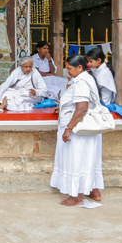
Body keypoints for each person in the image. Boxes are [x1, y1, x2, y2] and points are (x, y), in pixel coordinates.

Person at [49, 54, 103, 206]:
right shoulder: (87, 78)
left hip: (78, 128)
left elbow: (81, 108)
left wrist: (68, 129)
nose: (67, 71)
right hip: (88, 128)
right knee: (89, 158)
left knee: (76, 160)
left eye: (69, 68)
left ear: (80, 67)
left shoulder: (81, 82)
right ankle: (94, 190)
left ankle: (77, 197)